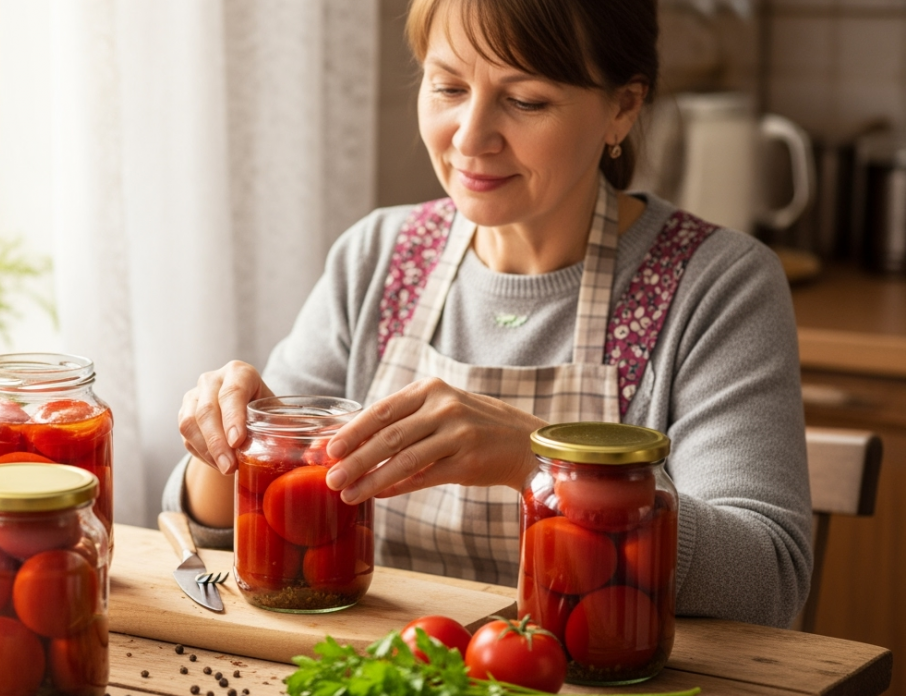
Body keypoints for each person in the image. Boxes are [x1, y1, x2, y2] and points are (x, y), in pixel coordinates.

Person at [164, 0, 811, 629]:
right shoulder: (378, 256)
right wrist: (232, 445)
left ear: (623, 106)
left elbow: (766, 579)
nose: (470, 137)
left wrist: (540, 467)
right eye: (447, 87)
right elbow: (208, 534)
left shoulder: (718, 285)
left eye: (525, 100)